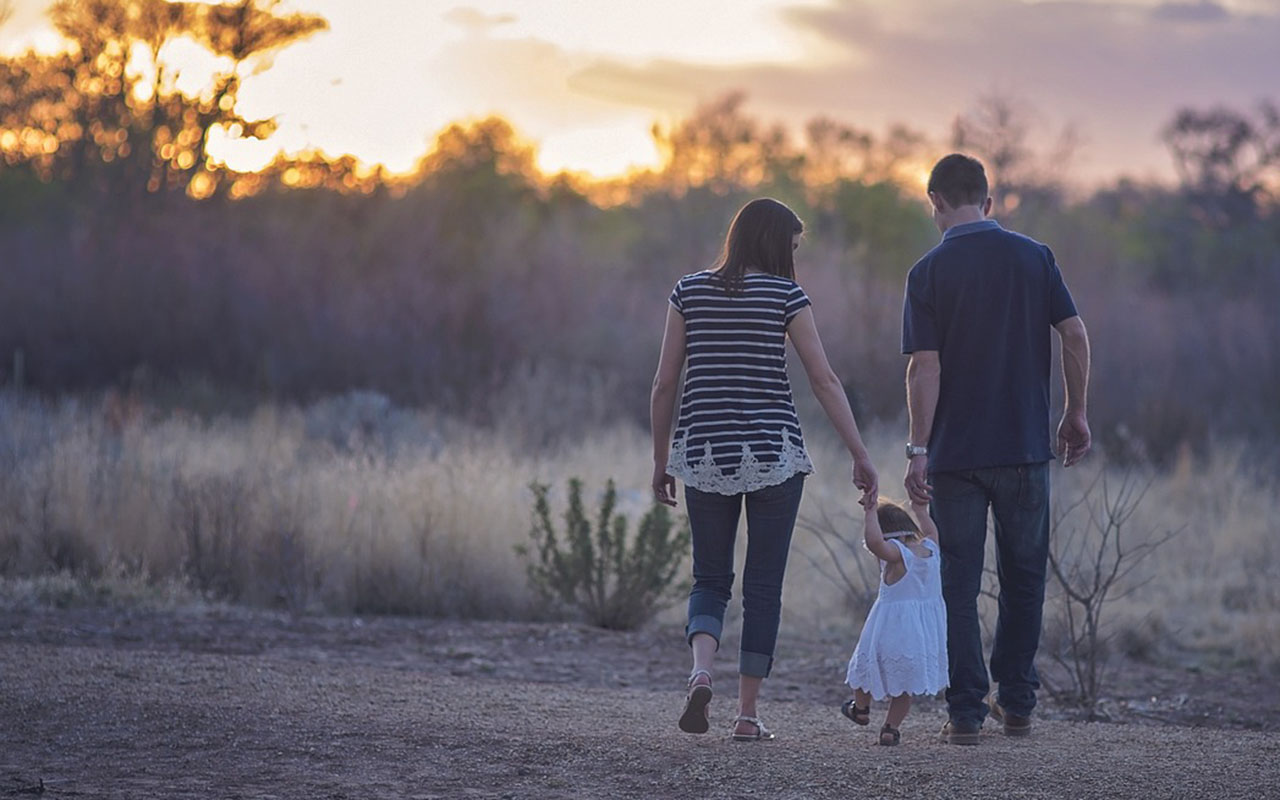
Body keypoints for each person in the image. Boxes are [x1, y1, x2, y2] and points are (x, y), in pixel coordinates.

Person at [650, 197, 878, 741]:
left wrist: (662, 461)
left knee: (709, 577)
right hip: (775, 455)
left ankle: (702, 670)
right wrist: (860, 453)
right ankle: (747, 716)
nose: (794, 257)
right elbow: (824, 381)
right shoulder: (786, 295)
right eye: (793, 246)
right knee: (763, 587)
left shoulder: (688, 291)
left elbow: (663, 384)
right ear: (776, 244)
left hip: (704, 454)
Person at [901, 153, 1092, 745]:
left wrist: (917, 448)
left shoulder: (927, 271)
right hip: (1026, 449)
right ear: (988, 201)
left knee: (958, 584)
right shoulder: (1035, 258)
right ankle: (1018, 703)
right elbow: (1075, 334)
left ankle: (964, 713)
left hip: (956, 457)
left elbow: (923, 369)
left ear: (934, 202)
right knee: (1024, 577)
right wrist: (1076, 411)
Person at [841, 499, 947, 746]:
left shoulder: (898, 555)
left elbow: (875, 543)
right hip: (920, 634)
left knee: (863, 669)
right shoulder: (931, 549)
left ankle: (861, 709)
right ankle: (890, 729)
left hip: (889, 630)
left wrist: (869, 513)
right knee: (904, 685)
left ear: (888, 535)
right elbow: (932, 530)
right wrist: (921, 510)